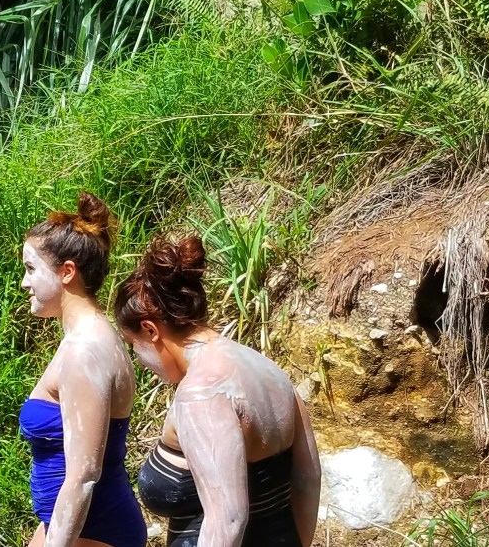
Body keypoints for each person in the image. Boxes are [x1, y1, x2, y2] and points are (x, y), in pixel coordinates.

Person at [114, 235, 321, 547]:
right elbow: (308, 478)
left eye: (134, 347)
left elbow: (229, 520)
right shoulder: (267, 369)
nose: (140, 362)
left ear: (150, 330)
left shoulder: (202, 394)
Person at [18, 192, 147, 547]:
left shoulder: (84, 351)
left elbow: (84, 474)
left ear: (67, 272)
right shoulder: (87, 339)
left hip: (96, 529)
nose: (24, 283)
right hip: (73, 527)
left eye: (31, 270)